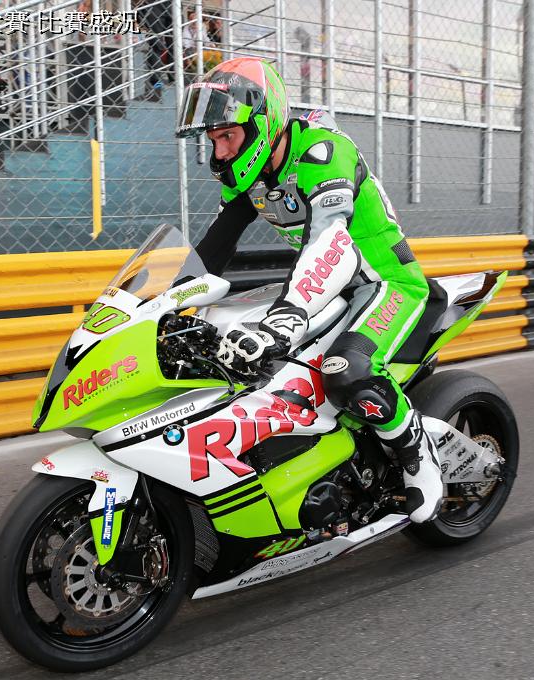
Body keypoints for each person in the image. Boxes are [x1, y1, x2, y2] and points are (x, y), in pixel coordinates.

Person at [175, 57, 443, 523]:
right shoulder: (251, 175)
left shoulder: (323, 151)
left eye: (227, 136)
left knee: (347, 370)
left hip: (384, 282)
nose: (220, 151)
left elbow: (329, 240)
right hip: (326, 286)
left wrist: (285, 316)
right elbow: (215, 248)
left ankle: (416, 453)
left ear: (262, 124)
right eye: (214, 140)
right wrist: (166, 303)